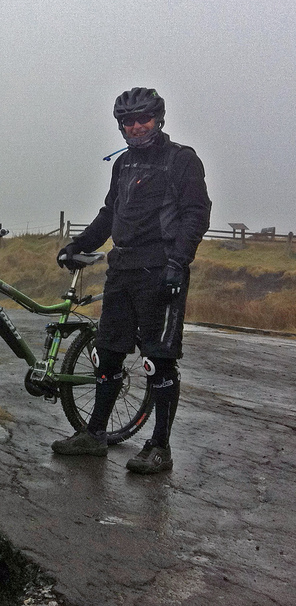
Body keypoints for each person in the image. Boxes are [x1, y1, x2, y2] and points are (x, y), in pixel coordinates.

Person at [51, 87, 211, 474]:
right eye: (129, 121)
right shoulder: (122, 164)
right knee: (108, 353)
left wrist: (178, 261)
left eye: (144, 119)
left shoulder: (181, 160)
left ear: (159, 119)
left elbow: (196, 213)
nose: (137, 126)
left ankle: (160, 447)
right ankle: (95, 435)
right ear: (121, 126)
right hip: (122, 269)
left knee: (158, 359)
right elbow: (110, 213)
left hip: (161, 270)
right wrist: (79, 244)